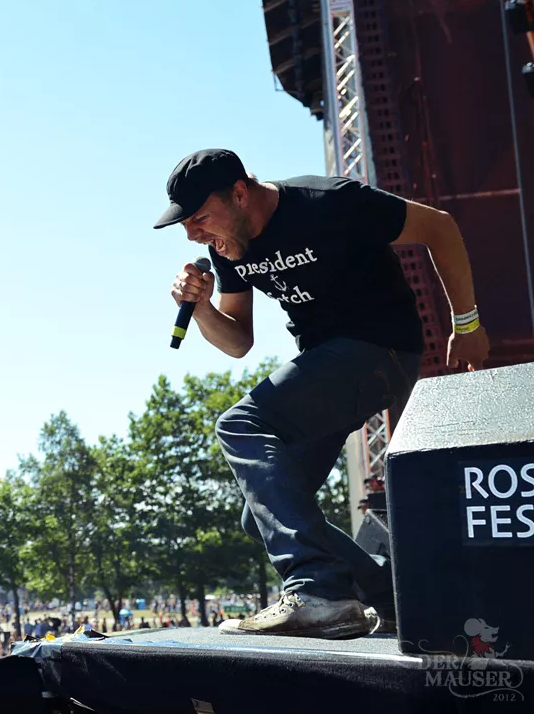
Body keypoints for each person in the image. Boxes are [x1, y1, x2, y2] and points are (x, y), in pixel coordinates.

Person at [158, 148, 489, 639]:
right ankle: (391, 598)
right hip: (330, 368)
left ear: (240, 194)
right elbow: (238, 341)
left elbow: (439, 227)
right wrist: (203, 307)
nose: (193, 234)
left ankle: (317, 590)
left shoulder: (328, 202)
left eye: (200, 218)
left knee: (240, 423)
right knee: (260, 515)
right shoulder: (231, 247)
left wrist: (468, 323)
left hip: (381, 349)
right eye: (185, 224)